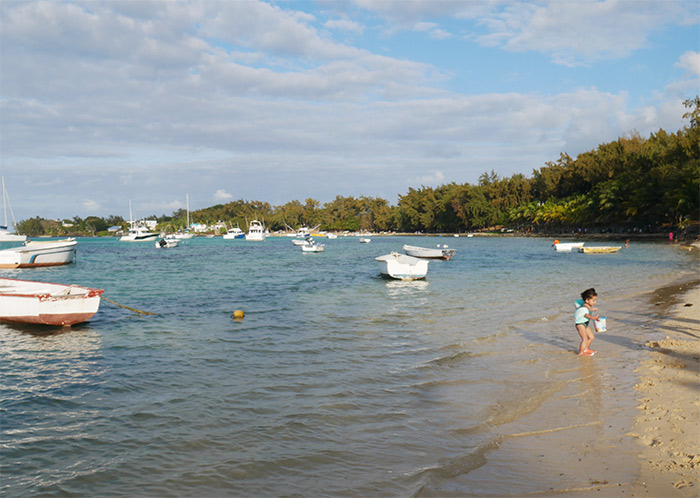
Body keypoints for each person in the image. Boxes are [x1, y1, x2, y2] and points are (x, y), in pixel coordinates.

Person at [575, 288, 600, 356]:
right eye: (593, 301)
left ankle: (586, 348)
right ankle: (581, 352)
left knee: (591, 337)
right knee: (584, 339)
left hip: (585, 323)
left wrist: (592, 309)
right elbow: (586, 315)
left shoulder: (588, 306)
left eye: (595, 300)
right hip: (580, 324)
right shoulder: (584, 307)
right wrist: (593, 318)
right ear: (587, 300)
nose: (595, 302)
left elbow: (589, 309)